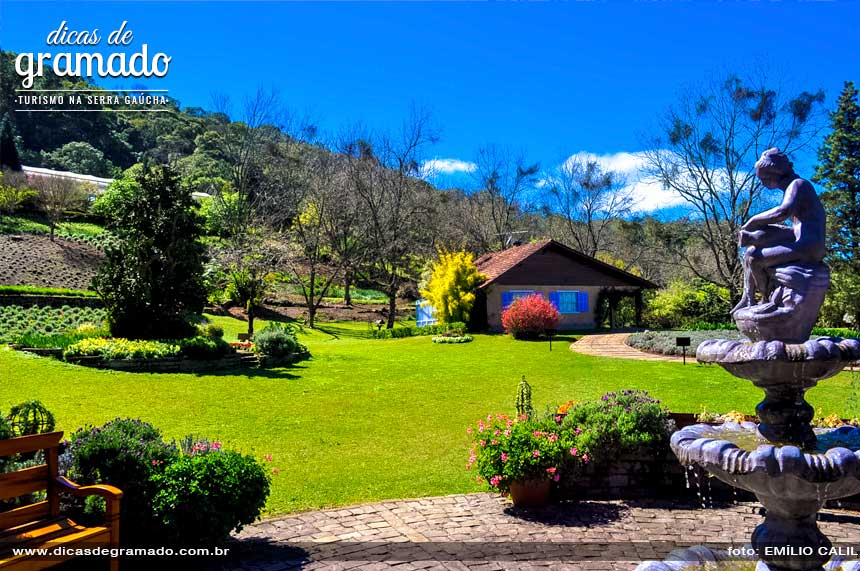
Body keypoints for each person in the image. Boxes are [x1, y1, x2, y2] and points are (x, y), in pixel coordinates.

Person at [732, 148, 826, 314]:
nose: (762, 183)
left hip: (808, 245)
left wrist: (752, 221)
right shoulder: (792, 186)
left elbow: (783, 212)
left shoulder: (799, 184)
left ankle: (765, 298)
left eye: (764, 178)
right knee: (750, 251)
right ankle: (748, 297)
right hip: (798, 237)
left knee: (755, 259)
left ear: (774, 174)